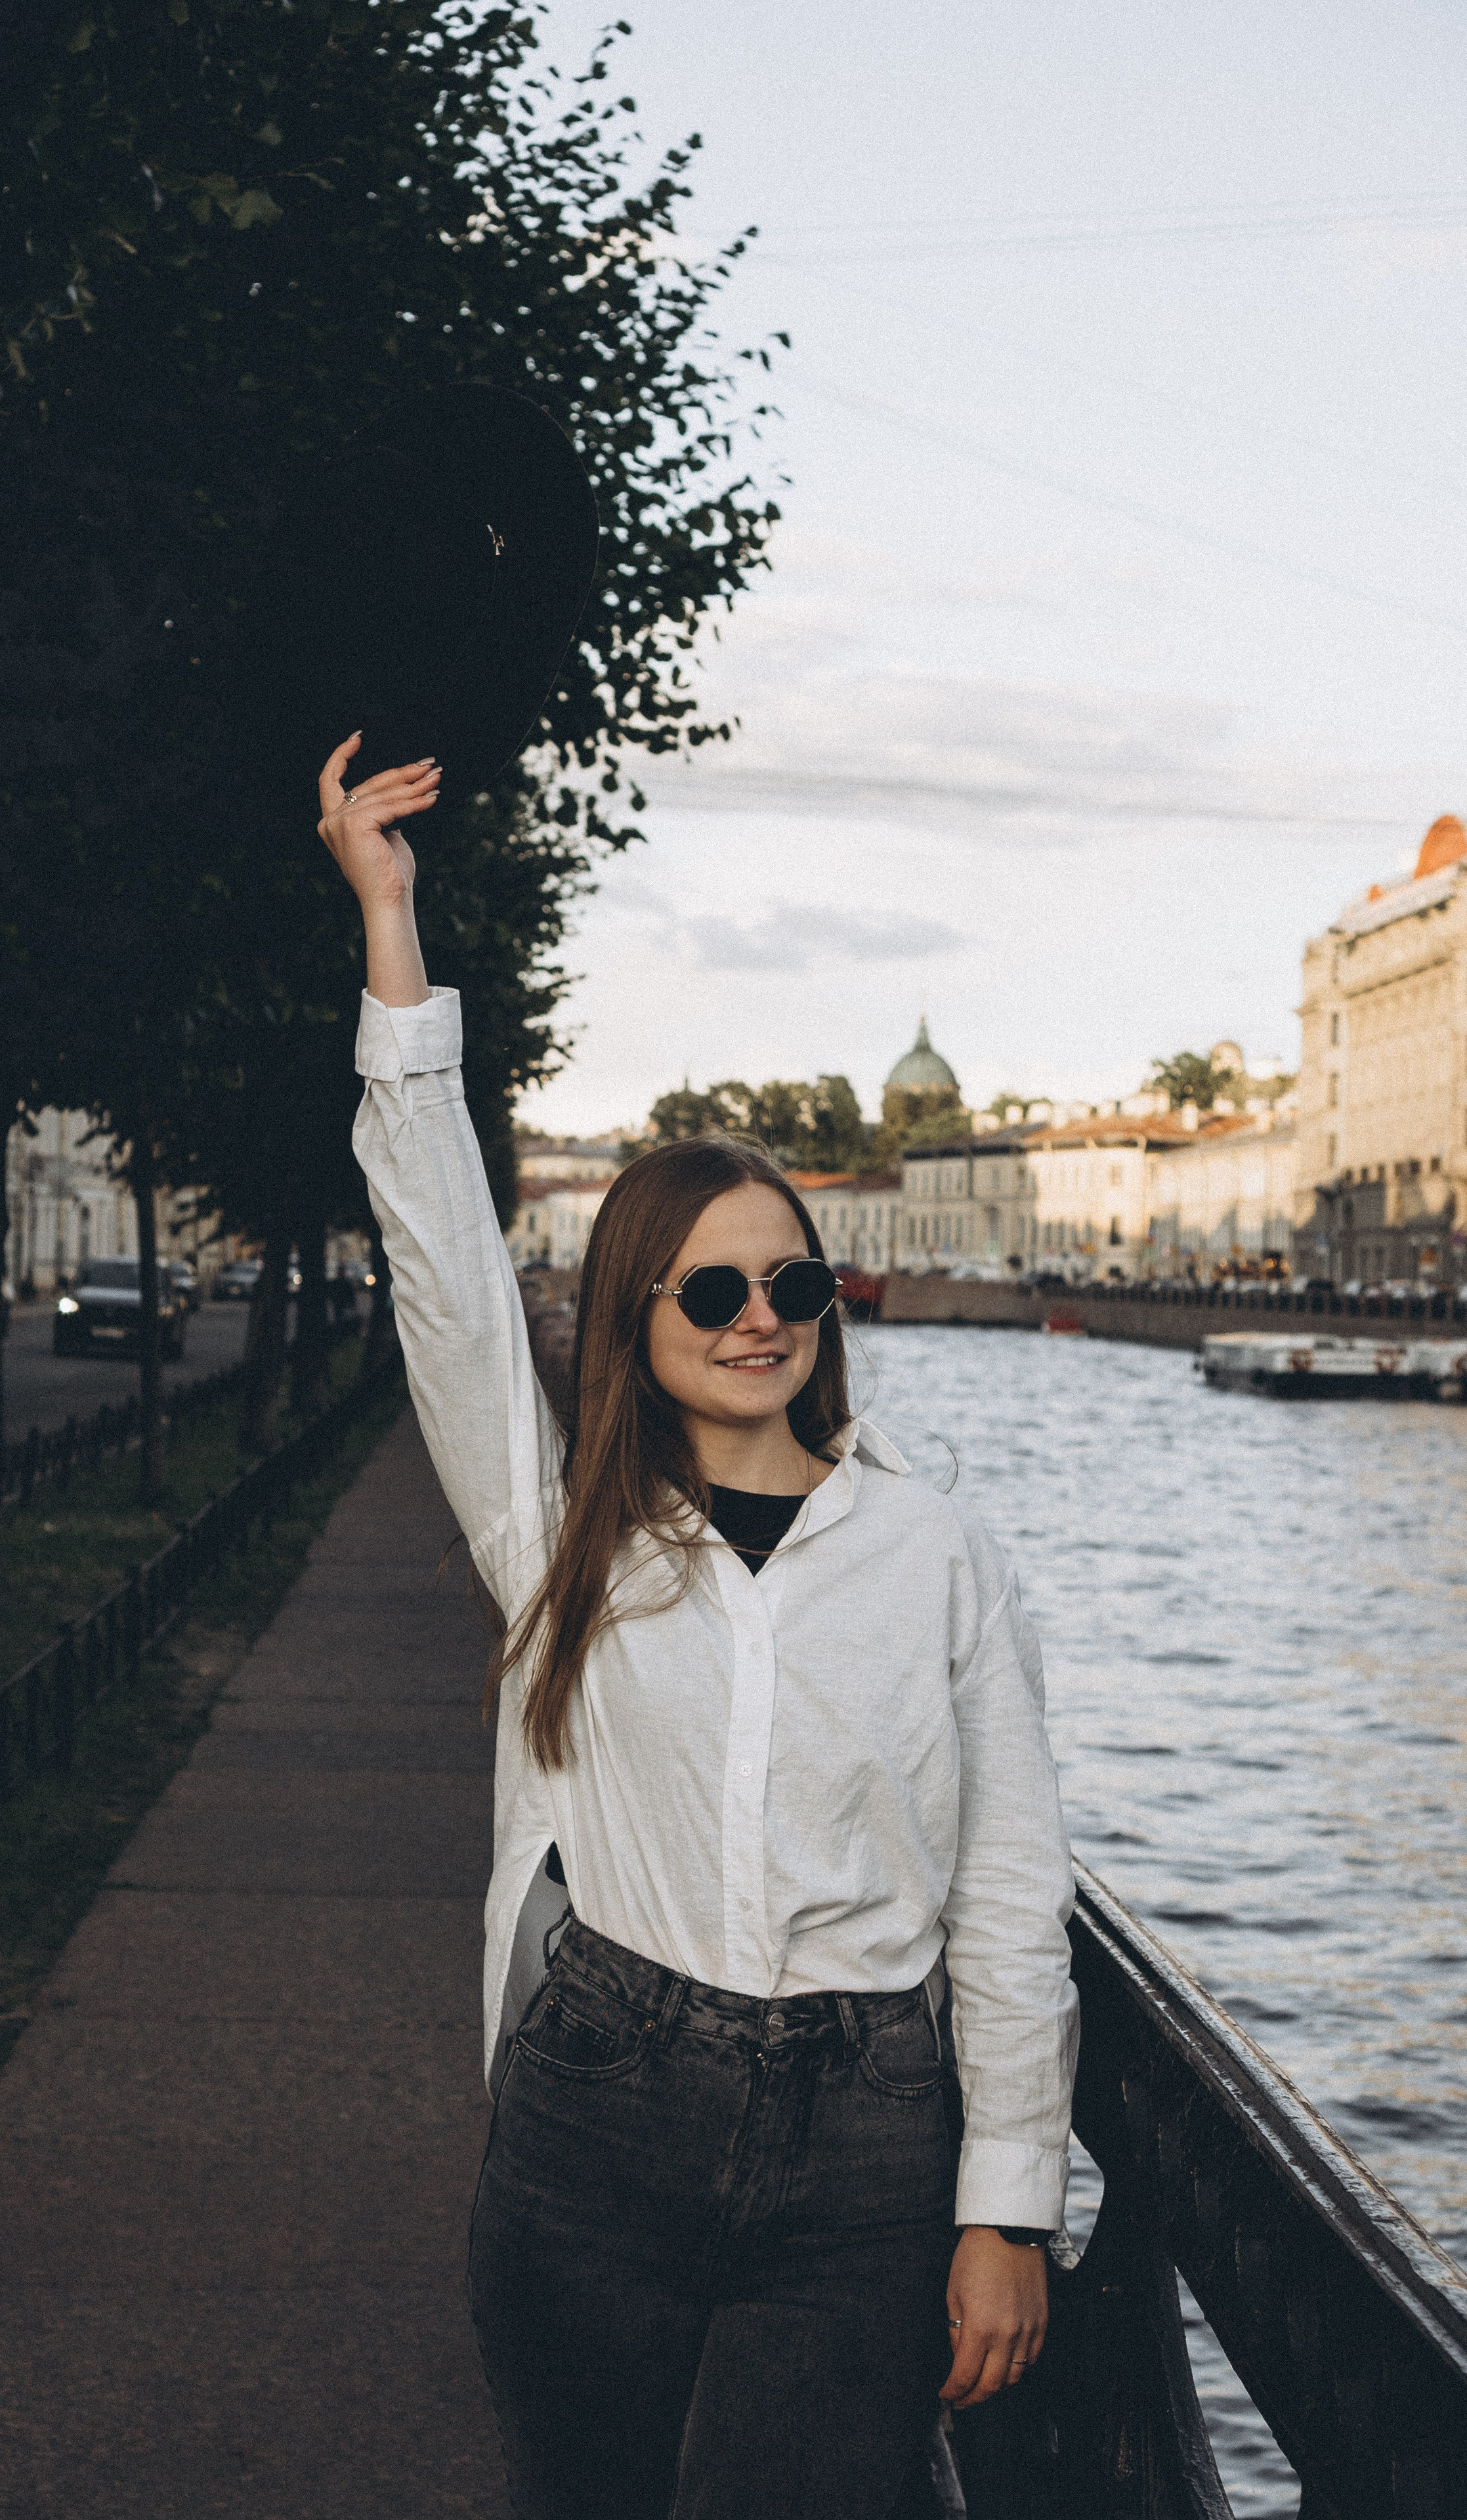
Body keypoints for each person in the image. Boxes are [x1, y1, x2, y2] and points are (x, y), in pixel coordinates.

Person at [320, 734, 1079, 2520]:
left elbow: (1009, 1894)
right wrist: (391, 928)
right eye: (716, 1288)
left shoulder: (937, 1555)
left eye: (795, 1282)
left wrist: (1009, 2205)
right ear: (636, 1313)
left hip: (871, 2132)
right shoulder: (564, 1531)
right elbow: (439, 1261)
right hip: (601, 2109)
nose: (762, 1319)